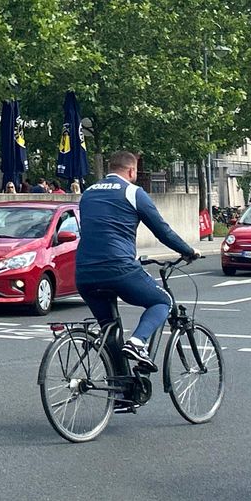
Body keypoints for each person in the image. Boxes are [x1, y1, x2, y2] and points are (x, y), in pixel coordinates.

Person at [76, 151, 199, 387]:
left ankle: (122, 390)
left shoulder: (88, 193)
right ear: (132, 171)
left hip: (84, 272)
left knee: (109, 330)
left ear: (109, 167)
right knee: (162, 301)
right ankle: (138, 343)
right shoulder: (133, 192)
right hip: (118, 267)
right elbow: (162, 231)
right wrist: (188, 251)